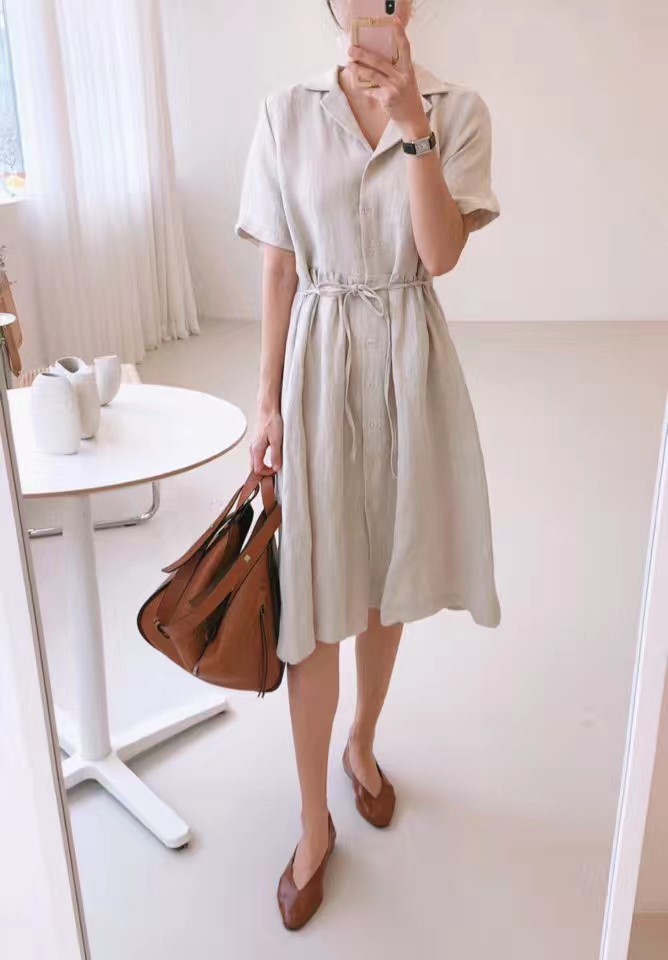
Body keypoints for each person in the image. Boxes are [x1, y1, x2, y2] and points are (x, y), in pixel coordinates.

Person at [235, 0, 501, 931]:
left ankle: (363, 743)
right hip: (316, 367)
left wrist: (415, 124)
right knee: (312, 599)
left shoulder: (458, 109)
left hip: (408, 363)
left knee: (388, 578)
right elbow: (278, 269)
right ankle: (314, 823)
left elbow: (440, 254)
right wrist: (267, 400)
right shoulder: (284, 112)